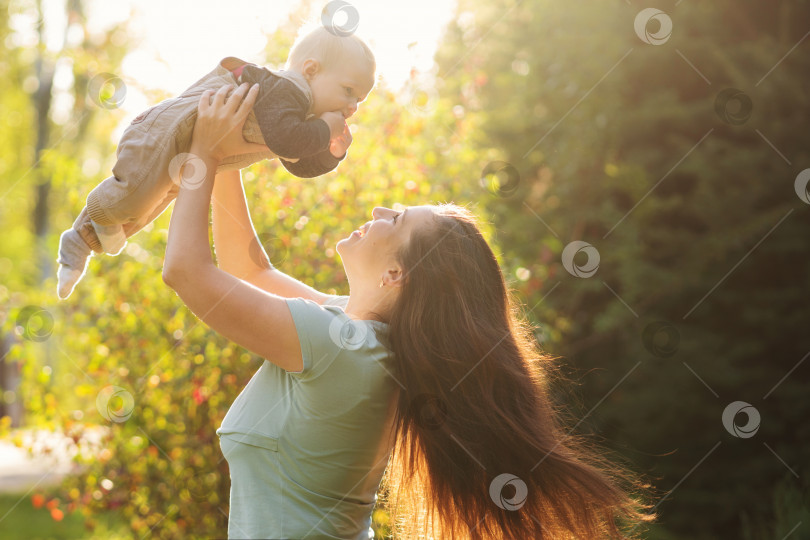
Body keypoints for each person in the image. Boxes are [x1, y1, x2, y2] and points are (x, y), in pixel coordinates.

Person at [162, 85, 658, 539]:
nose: (377, 212)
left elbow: (185, 270)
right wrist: (230, 154)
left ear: (396, 275)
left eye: (394, 219)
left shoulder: (343, 350)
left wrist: (202, 154)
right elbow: (249, 272)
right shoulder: (358, 339)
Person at [56, 25, 375, 300]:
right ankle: (83, 229)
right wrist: (327, 129)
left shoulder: (297, 119)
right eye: (348, 91)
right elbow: (288, 141)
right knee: (133, 194)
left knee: (148, 207)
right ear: (310, 70)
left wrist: (332, 153)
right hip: (167, 131)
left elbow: (296, 161)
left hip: (188, 155)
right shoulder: (285, 90)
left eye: (359, 99)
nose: (351, 106)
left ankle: (86, 242)